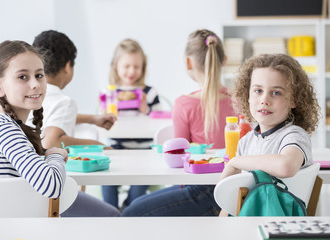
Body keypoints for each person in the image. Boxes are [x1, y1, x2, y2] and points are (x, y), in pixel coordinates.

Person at [0, 40, 120, 217]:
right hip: (8, 227)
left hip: (3, 222)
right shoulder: (6, 131)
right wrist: (56, 155)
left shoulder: (3, 126)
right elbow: (52, 186)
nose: (35, 84)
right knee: (112, 216)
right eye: (23, 77)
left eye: (39, 75)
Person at [122, 29, 235, 216]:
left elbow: (179, 163)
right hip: (234, 189)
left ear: (188, 62)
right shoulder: (242, 101)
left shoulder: (184, 104)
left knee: (129, 213)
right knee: (138, 203)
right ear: (224, 59)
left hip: (205, 193)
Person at [219, 53, 320, 216]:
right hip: (247, 223)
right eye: (258, 91)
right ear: (248, 97)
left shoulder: (295, 135)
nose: (264, 100)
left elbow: (286, 166)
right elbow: (230, 202)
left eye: (276, 93)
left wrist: (235, 161)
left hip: (282, 227)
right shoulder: (246, 142)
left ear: (294, 100)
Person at [102, 39, 161, 210]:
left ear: (143, 67)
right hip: (116, 148)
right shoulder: (110, 93)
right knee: (107, 179)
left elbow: (159, 123)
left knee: (140, 184)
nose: (131, 71)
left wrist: (145, 111)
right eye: (126, 66)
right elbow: (102, 123)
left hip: (143, 151)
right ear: (116, 66)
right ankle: (109, 210)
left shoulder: (149, 93)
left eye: (136, 67)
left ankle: (128, 208)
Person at [31, 30, 116, 149]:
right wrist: (100, 146)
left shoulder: (29, 95)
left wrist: (93, 119)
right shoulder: (64, 103)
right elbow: (50, 142)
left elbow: (55, 118)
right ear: (67, 66)